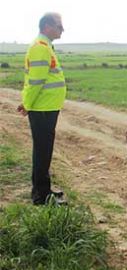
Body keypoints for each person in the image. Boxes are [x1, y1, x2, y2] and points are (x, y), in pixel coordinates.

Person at [17, 13, 67, 205]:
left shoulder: (45, 46)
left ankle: (44, 190)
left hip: (46, 107)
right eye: (59, 26)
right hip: (42, 108)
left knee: (44, 150)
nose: (62, 30)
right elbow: (36, 81)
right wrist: (27, 105)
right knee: (42, 150)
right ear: (47, 26)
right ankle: (41, 196)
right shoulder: (40, 48)